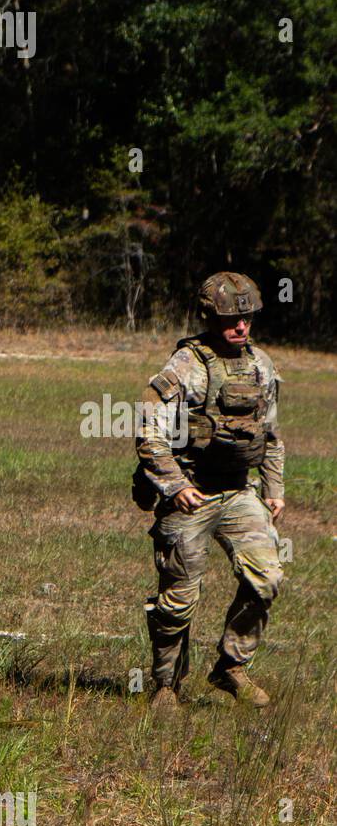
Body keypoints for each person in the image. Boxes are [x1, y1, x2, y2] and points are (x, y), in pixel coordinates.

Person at [135, 271, 285, 712]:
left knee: (267, 578)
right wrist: (176, 485)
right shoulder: (185, 366)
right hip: (192, 493)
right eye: (231, 320)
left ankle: (231, 666)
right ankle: (166, 685)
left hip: (240, 492)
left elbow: (270, 434)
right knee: (179, 600)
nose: (242, 328)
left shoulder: (262, 365)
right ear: (209, 318)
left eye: (248, 319)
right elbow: (148, 432)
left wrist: (274, 489)